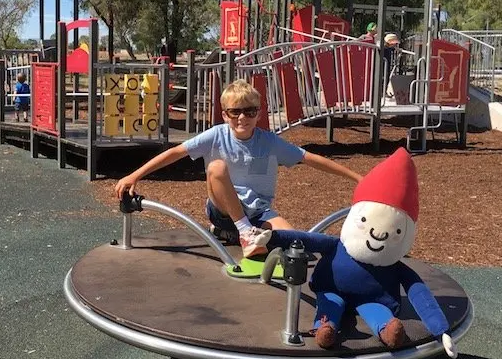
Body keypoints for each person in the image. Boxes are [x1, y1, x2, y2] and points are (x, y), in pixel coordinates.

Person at [114, 79, 363, 258]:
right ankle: (242, 231)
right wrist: (135, 175)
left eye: (249, 111)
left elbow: (310, 158)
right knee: (217, 167)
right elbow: (175, 153)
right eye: (235, 112)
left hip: (258, 213)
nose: (242, 118)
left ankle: (235, 233)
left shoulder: (269, 141)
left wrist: (358, 178)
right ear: (224, 115)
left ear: (258, 114)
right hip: (221, 208)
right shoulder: (216, 135)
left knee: (297, 243)